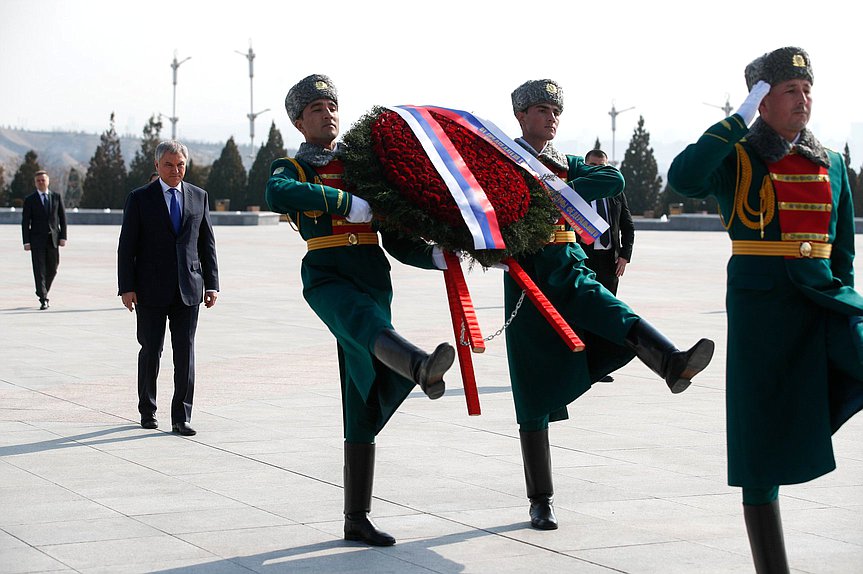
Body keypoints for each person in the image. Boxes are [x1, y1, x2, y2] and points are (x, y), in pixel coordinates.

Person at [668, 47, 863, 573]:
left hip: (824, 299)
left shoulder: (834, 162)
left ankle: (802, 425)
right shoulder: (737, 153)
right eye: (788, 91)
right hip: (763, 308)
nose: (802, 99)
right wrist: (737, 119)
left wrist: (843, 298)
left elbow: (841, 248)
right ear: (762, 102)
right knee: (758, 440)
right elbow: (683, 178)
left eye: (806, 90)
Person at [505, 79, 715, 531]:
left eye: (554, 111)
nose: (550, 117)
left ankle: (671, 362)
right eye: (541, 110)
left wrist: (557, 178)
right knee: (530, 385)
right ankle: (540, 499)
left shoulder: (568, 162)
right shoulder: (502, 159)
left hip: (568, 261)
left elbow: (613, 177)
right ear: (521, 116)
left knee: (607, 308)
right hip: (527, 274)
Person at [266, 74, 455, 547]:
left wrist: (435, 255)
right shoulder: (291, 166)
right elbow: (278, 195)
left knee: (358, 393)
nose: (327, 114)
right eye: (315, 109)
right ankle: (417, 366)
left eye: (332, 106)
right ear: (298, 121)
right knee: (361, 322)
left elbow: (393, 233)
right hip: (327, 271)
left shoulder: (363, 168)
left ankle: (356, 518)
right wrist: (341, 201)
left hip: (372, 272)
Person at [117, 140, 219, 437]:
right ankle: (147, 410)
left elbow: (206, 244)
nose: (176, 170)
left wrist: (212, 284)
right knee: (151, 350)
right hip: (150, 289)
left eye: (181, 165)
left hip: (189, 288)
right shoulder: (139, 199)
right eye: (169, 165)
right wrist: (127, 287)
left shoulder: (199, 196)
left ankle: (181, 416)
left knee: (185, 352)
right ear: (157, 166)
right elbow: (127, 246)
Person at [580, 149, 635, 382]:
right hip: (584, 260)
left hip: (609, 262)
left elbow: (628, 225)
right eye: (592, 166)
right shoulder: (578, 191)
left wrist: (624, 256)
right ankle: (579, 364)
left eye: (602, 167)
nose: (597, 170)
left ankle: (599, 365)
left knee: (605, 313)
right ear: (585, 166)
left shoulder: (616, 192)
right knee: (582, 312)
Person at [21, 170, 67, 310]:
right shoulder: (30, 200)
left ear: (48, 181)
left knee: (52, 269)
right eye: (38, 180)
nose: (41, 182)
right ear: (35, 183)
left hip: (52, 239)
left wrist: (63, 236)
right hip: (36, 240)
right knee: (39, 269)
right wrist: (26, 241)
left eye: (43, 180)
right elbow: (25, 222)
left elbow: (62, 219)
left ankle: (42, 289)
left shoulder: (56, 197)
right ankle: (43, 298)